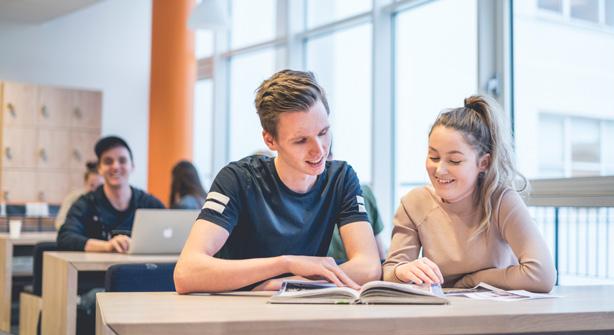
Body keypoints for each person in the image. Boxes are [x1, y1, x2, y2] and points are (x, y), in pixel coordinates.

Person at [174, 69, 381, 293]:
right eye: (301, 141)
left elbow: (368, 267)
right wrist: (285, 263)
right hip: (238, 313)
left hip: (301, 310)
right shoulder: (238, 179)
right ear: (270, 140)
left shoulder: (340, 178)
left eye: (323, 132)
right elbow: (186, 273)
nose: (319, 150)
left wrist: (287, 284)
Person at [382, 95, 556, 293]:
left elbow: (542, 275)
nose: (439, 170)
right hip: (446, 314)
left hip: (500, 315)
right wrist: (402, 271)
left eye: (454, 161)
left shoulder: (501, 200)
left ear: (483, 163)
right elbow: (389, 272)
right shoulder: (414, 204)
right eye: (434, 157)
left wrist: (472, 280)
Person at [57, 136, 165, 253]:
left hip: (141, 269)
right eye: (108, 161)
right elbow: (65, 237)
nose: (115, 166)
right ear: (99, 169)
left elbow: (170, 231)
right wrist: (107, 246)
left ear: (132, 166)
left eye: (122, 160)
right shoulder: (85, 204)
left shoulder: (149, 203)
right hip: (97, 270)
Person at [325, 148, 386, 261]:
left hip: (359, 272)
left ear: (331, 158)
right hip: (323, 274)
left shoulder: (363, 194)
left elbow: (380, 257)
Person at [54, 161, 103, 230]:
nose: (95, 190)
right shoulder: (74, 198)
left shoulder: (108, 201)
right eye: (92, 185)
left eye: (99, 186)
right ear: (85, 183)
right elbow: (60, 222)